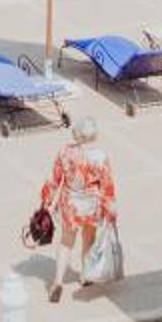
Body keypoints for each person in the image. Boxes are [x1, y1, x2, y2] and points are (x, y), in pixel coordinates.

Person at [39, 117, 121, 301]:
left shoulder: (65, 152)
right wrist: (111, 210)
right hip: (91, 204)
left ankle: (58, 282)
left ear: (76, 134)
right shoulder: (100, 157)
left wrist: (47, 201)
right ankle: (85, 276)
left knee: (66, 243)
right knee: (88, 240)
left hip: (70, 203)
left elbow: (54, 180)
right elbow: (107, 186)